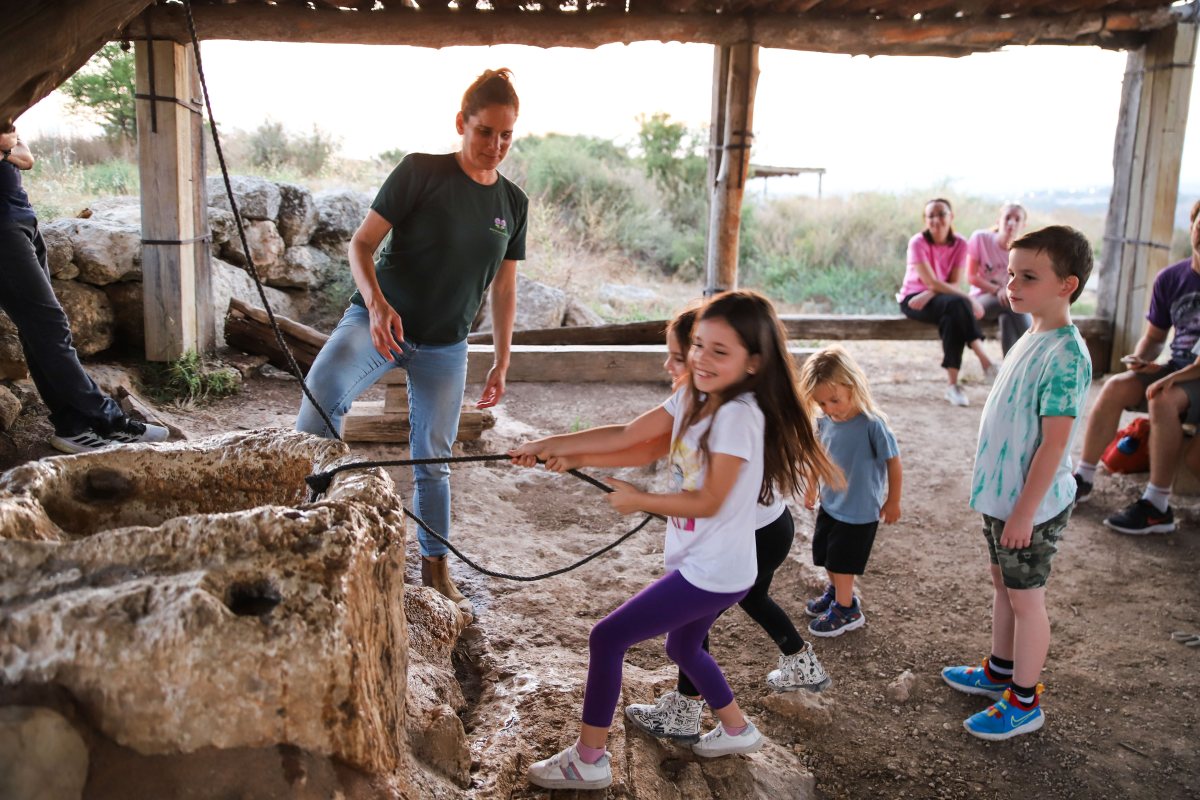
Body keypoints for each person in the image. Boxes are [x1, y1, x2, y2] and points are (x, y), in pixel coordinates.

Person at [510, 290, 842, 791]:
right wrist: (554, 448)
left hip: (714, 571)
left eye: (719, 351)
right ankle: (737, 729)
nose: (700, 359)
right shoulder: (696, 395)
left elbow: (709, 500)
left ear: (754, 362)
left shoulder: (738, 416)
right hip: (701, 561)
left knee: (607, 638)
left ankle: (589, 759)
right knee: (684, 646)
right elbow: (629, 435)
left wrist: (639, 500)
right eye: (698, 346)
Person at [294, 70, 527, 613]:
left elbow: (505, 287)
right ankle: (311, 531)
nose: (495, 145)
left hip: (446, 345)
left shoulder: (513, 203)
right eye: (485, 131)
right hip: (379, 323)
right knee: (320, 397)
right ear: (461, 123)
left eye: (506, 135)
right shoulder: (421, 171)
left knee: (434, 460)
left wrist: (502, 359)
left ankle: (435, 570)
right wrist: (376, 304)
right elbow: (361, 245)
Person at [942, 225, 1093, 741]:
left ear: (1067, 285)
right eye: (1011, 274)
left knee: (1027, 600)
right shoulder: (1030, 335)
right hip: (1004, 499)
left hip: (1031, 505)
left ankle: (1025, 701)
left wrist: (1025, 513)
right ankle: (999, 670)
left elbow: (1053, 445)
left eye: (1028, 276)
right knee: (1002, 585)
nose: (1012, 285)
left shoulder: (1067, 355)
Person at [0, 123, 168, 454]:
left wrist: (5, 149)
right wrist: (7, 148)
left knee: (37, 332)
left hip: (23, 220)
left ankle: (73, 427)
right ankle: (107, 419)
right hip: (3, 231)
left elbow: (26, 157)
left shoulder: (6, 109)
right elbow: (13, 149)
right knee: (50, 326)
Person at [1072, 200, 1200, 535]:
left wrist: (1168, 378)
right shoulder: (1172, 278)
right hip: (1181, 366)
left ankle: (1157, 505)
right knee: (1116, 385)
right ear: (1192, 227)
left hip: (1194, 375)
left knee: (1162, 397)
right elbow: (1155, 337)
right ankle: (1082, 478)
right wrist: (1140, 359)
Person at [797, 346, 902, 638]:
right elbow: (818, 455)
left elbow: (893, 462)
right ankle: (837, 593)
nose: (829, 408)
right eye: (821, 403)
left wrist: (893, 500)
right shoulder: (826, 421)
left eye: (835, 400)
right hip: (831, 504)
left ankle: (847, 610)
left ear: (852, 387)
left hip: (858, 511)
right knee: (827, 556)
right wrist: (811, 485)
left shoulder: (872, 424)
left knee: (843, 562)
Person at [899, 198, 997, 407]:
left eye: (941, 214)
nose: (936, 220)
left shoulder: (960, 243)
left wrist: (930, 293)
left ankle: (953, 387)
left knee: (952, 317)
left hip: (942, 299)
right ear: (925, 220)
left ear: (951, 216)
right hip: (913, 300)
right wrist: (968, 298)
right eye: (931, 216)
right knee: (958, 304)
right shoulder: (918, 242)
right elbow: (932, 281)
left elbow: (953, 283)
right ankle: (986, 361)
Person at [967, 204, 1032, 355]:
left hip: (1010, 306)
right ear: (998, 220)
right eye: (1007, 217)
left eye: (1017, 219)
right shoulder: (980, 238)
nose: (1011, 223)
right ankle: (1036, 347)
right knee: (1011, 301)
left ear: (1023, 225)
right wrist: (997, 290)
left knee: (1006, 318)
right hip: (981, 302)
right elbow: (971, 277)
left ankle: (1010, 367)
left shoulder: (1024, 251)